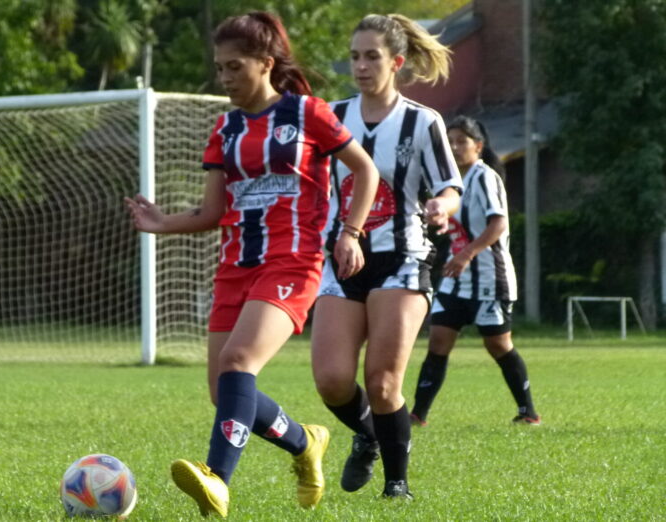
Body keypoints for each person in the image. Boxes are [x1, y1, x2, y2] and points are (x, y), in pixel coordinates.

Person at [125, 11, 379, 518]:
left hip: (293, 263)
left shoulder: (307, 113)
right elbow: (212, 212)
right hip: (235, 267)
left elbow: (366, 171)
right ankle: (305, 442)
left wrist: (351, 233)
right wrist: (162, 222)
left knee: (239, 363)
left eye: (234, 67)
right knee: (223, 391)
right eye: (219, 68)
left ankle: (218, 479)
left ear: (265, 63)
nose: (224, 78)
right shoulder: (225, 128)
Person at [310, 14, 463, 500]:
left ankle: (397, 486)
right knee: (332, 381)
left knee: (381, 383)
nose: (361, 66)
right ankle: (369, 435)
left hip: (404, 257)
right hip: (342, 259)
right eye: (355, 56)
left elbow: (450, 186)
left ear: (396, 62)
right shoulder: (331, 116)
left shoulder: (423, 121)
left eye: (372, 56)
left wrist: (442, 206)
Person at [410, 115, 541, 427]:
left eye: (462, 141)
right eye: (450, 142)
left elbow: (499, 224)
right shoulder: (448, 183)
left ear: (478, 147)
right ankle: (417, 415)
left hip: (489, 277)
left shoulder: (485, 177)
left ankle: (528, 412)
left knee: (498, 345)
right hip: (456, 278)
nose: (455, 147)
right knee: (438, 341)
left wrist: (467, 253)